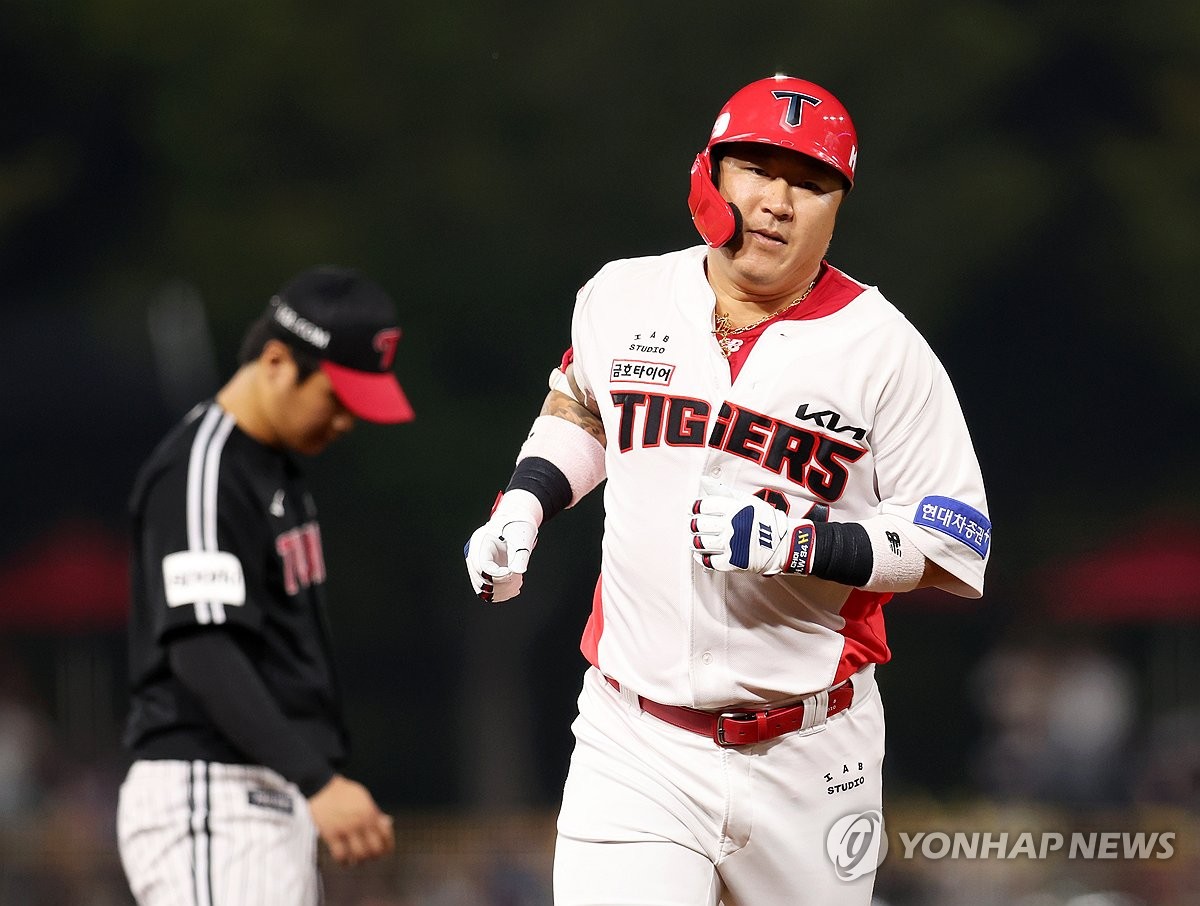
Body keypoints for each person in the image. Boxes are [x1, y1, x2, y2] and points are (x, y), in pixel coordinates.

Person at [465, 74, 991, 904]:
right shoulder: (621, 295)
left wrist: (804, 543)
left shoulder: (885, 350)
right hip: (635, 738)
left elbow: (956, 540)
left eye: (810, 183)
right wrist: (525, 501)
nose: (780, 202)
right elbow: (583, 409)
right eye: (757, 169)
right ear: (709, 177)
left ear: (837, 207)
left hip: (813, 749)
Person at [118, 267, 413, 905]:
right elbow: (201, 649)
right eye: (336, 398)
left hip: (258, 794)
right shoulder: (205, 466)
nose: (345, 422)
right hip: (211, 791)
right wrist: (317, 780)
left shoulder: (273, 470)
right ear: (278, 361)